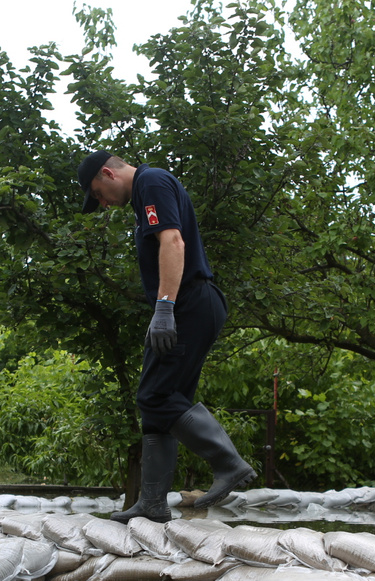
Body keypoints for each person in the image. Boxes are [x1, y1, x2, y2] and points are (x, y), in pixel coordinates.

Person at [77, 150, 256, 523]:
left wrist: (164, 308)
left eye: (98, 193)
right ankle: (153, 503)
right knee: (164, 400)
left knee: (153, 395)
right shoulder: (146, 191)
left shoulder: (151, 182)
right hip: (189, 304)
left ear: (108, 173)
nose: (104, 204)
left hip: (188, 302)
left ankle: (228, 463)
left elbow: (173, 242)